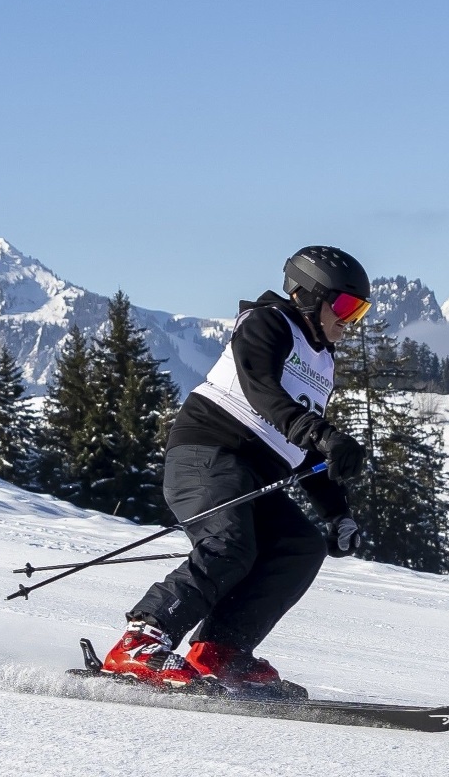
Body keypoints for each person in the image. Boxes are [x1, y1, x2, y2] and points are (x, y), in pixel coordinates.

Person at [101, 245, 372, 697]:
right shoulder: (268, 321)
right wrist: (319, 431)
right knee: (229, 545)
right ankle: (141, 641)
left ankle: (220, 651)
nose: (350, 320)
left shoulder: (322, 360)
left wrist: (336, 512)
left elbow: (299, 444)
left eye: (359, 310)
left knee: (300, 547)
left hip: (257, 471)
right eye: (345, 305)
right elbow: (261, 389)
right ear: (309, 295)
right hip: (209, 452)